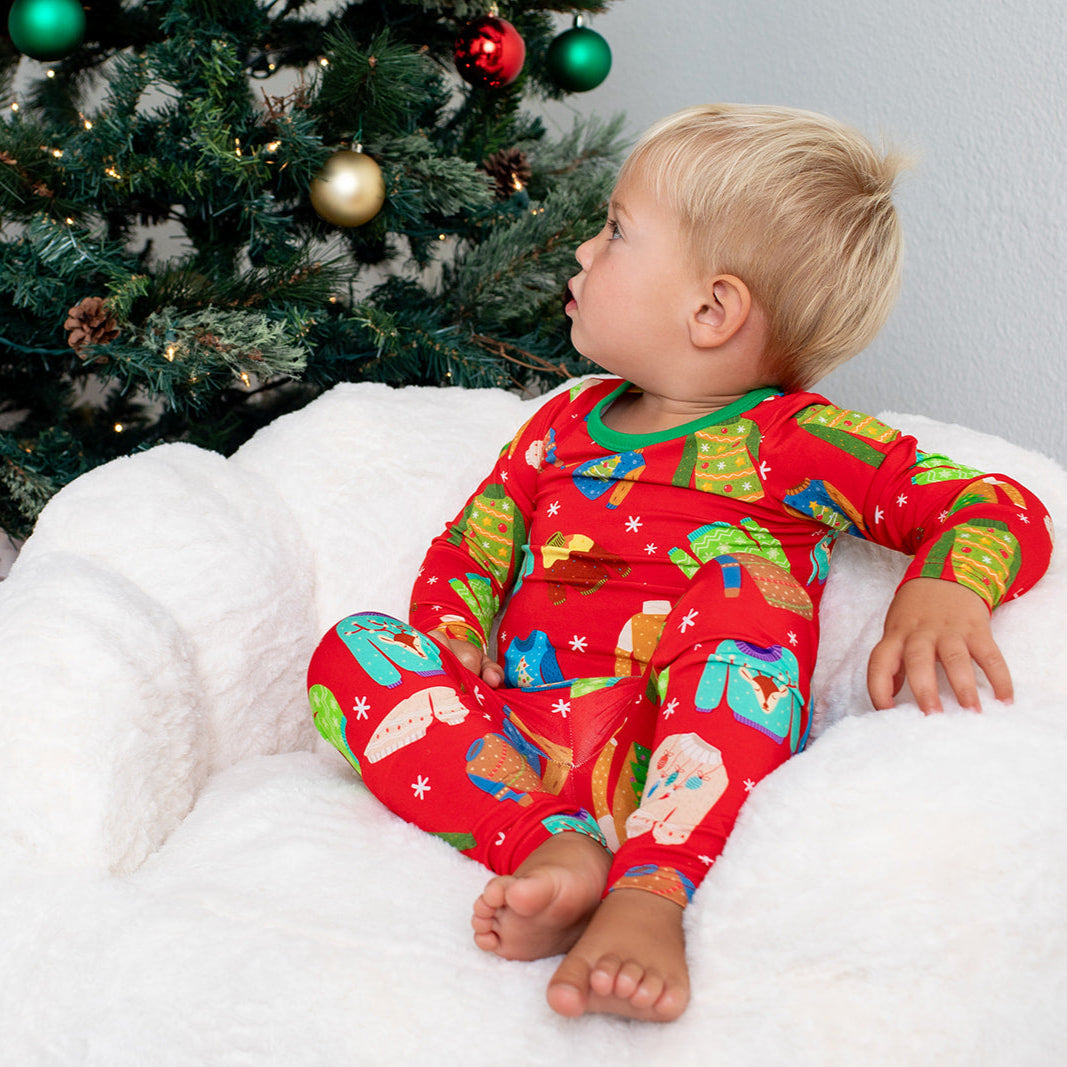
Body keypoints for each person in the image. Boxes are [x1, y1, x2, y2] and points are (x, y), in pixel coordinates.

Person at [306, 104, 1053, 1023]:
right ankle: (554, 851)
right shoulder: (555, 429)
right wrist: (452, 637)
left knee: (749, 593)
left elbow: (994, 502)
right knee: (354, 649)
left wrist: (944, 584)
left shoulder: (794, 442)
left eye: (615, 231)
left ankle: (650, 891)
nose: (581, 250)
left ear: (712, 309)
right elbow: (471, 546)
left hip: (684, 757)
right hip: (514, 746)